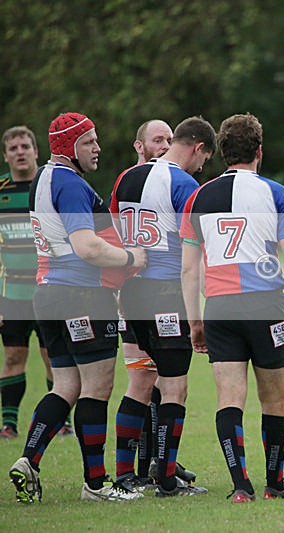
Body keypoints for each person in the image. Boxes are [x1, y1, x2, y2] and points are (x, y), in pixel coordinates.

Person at [9, 112, 147, 503]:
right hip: (80, 294)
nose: (97, 148)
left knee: (67, 385)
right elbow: (87, 247)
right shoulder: (69, 183)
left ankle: (28, 460)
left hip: (48, 294)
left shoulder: (42, 179)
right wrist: (130, 258)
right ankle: (96, 484)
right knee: (97, 387)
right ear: (70, 148)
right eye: (89, 141)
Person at [181, 113, 284, 502]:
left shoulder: (197, 196)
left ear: (222, 153)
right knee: (274, 398)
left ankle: (241, 487)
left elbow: (189, 267)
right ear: (259, 151)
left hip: (220, 308)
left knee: (230, 397)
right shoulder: (275, 192)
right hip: (265, 306)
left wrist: (195, 319)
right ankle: (275, 483)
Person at [111, 116, 214, 498]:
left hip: (130, 291)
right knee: (174, 388)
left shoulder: (125, 178)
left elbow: (114, 231)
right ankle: (167, 481)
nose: (201, 168)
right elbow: (195, 248)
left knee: (140, 382)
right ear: (198, 148)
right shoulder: (185, 184)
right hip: (167, 294)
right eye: (203, 160)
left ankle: (124, 477)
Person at [0, 126, 70, 439]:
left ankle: (61, 422)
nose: (20, 151)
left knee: (52, 357)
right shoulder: (1, 191)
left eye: (25, 146)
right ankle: (9, 425)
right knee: (13, 357)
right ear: (5, 155)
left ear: (36, 151)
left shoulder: (48, 186)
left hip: (49, 288)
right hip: (11, 292)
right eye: (13, 148)